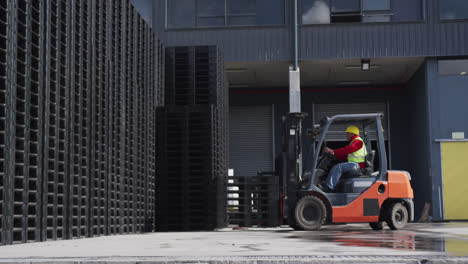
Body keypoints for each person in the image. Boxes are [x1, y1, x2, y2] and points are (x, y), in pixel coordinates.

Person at [320, 125, 367, 192]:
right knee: (336, 165)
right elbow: (346, 155)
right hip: (354, 164)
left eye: (347, 133)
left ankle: (328, 187)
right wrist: (334, 155)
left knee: (338, 167)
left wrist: (333, 151)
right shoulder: (354, 141)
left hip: (357, 165)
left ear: (352, 134)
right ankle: (332, 186)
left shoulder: (358, 141)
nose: (346, 135)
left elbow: (348, 150)